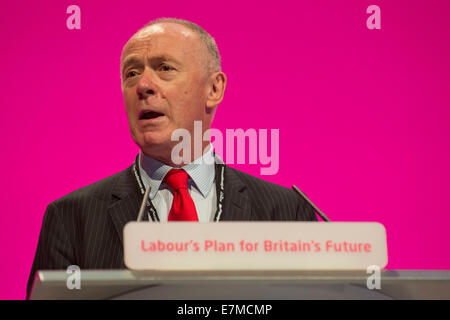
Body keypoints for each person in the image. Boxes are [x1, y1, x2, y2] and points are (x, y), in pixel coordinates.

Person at [27, 18, 317, 299]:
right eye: (131, 73)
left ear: (214, 89)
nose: (143, 85)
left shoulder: (286, 212)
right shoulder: (70, 218)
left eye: (164, 68)